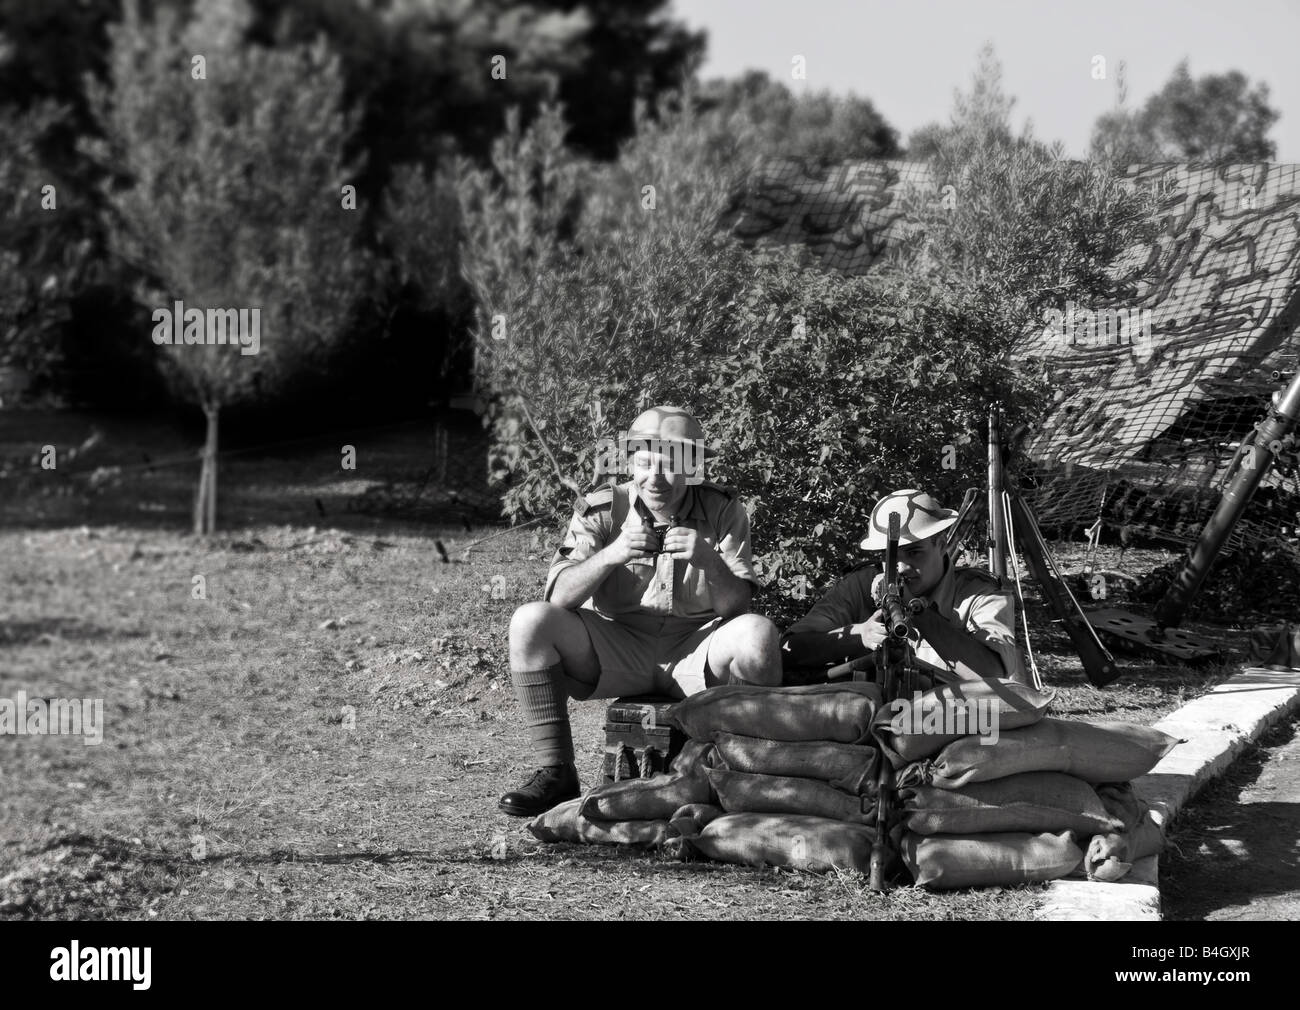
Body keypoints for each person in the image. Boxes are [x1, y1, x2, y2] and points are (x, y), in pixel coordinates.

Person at [499, 406, 781, 816]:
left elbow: (738, 608)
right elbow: (558, 597)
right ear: (630, 461)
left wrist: (709, 561)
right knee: (530, 621)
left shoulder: (722, 509)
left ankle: (755, 775)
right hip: (619, 645)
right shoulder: (601, 508)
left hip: (697, 646)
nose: (656, 479)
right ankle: (556, 772)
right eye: (645, 463)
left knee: (759, 634)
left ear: (692, 467)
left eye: (671, 466)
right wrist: (612, 554)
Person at [780, 489, 1025, 686]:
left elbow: (993, 677)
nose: (901, 566)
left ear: (940, 544)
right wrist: (859, 635)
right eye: (889, 556)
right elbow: (789, 650)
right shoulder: (862, 585)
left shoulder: (980, 595)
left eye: (914, 553)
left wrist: (920, 614)